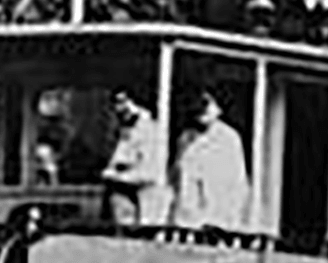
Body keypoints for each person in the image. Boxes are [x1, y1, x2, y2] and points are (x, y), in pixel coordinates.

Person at [170, 88, 253, 232]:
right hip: (186, 216)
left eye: (207, 104)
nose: (202, 110)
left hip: (215, 218)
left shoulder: (228, 139)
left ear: (219, 109)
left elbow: (235, 183)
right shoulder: (186, 137)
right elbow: (179, 173)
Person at [100, 87, 167, 226]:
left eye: (123, 102)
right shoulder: (122, 131)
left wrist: (117, 176)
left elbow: (149, 173)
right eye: (116, 103)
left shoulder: (149, 130)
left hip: (140, 202)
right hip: (119, 200)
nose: (119, 108)